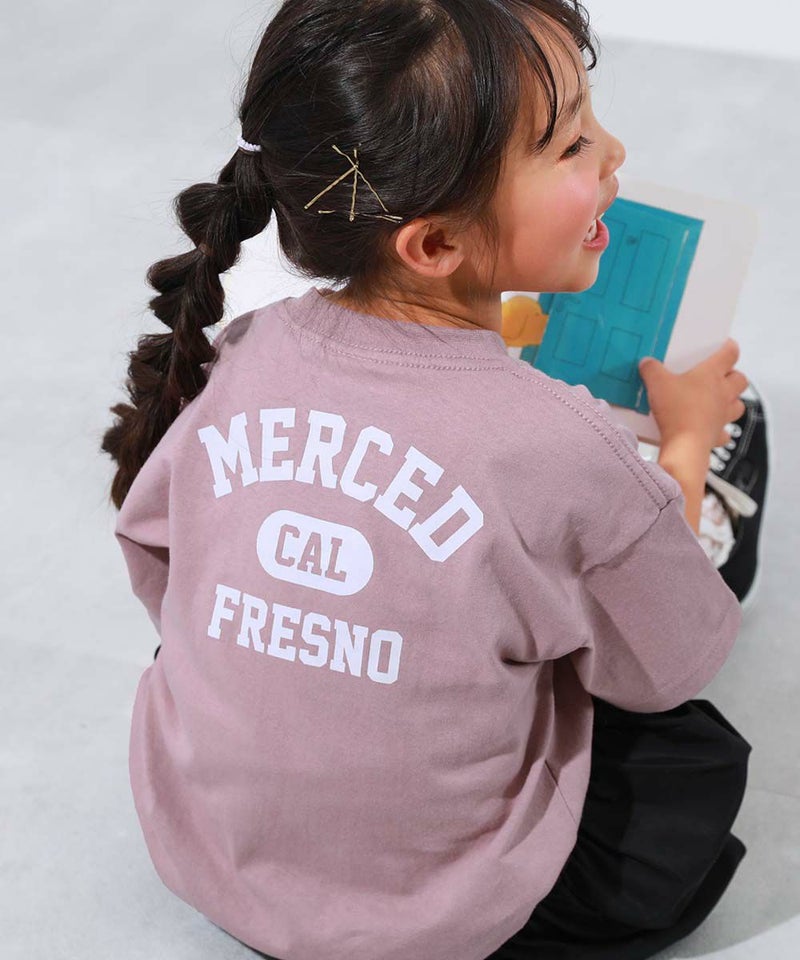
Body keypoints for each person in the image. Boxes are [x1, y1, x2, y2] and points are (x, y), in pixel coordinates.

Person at [102, 2, 766, 959]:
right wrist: (688, 445)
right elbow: (674, 666)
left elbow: (160, 565)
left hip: (217, 859)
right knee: (688, 741)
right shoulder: (565, 444)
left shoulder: (244, 353)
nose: (614, 152)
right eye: (572, 144)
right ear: (435, 246)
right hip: (443, 917)